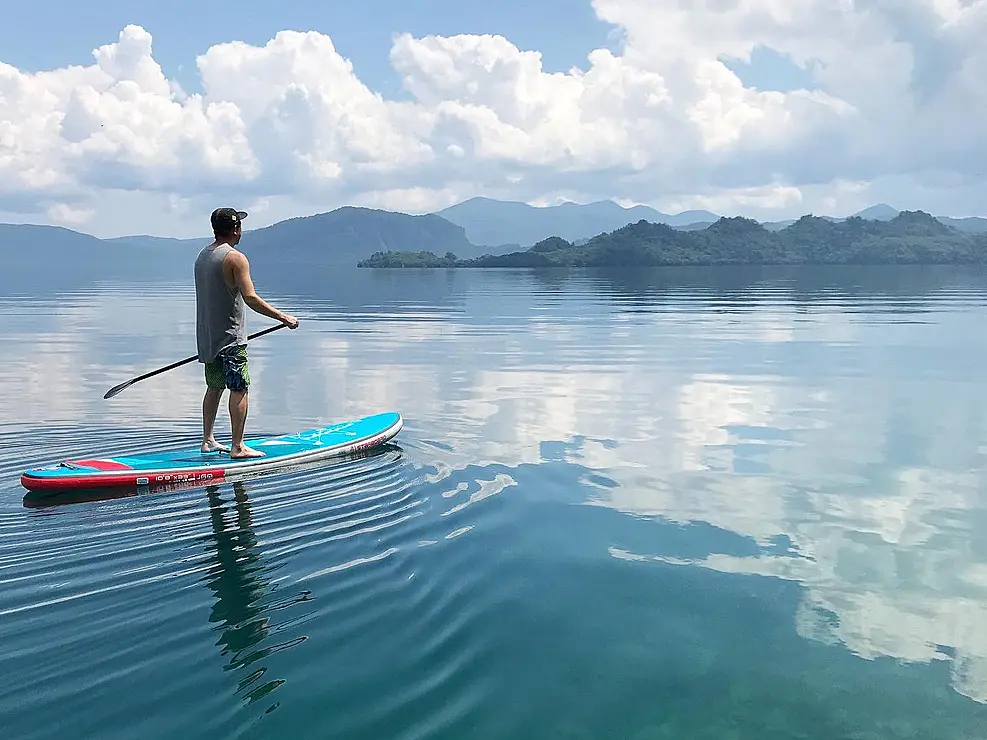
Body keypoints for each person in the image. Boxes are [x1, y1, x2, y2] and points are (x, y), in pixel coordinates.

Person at [194, 207, 298, 459]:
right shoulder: (235, 258)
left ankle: (207, 440)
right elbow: (250, 297)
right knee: (239, 388)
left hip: (208, 337)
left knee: (214, 386)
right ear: (236, 229)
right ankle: (237, 447)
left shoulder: (202, 256)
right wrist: (283, 317)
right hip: (231, 338)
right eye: (240, 225)